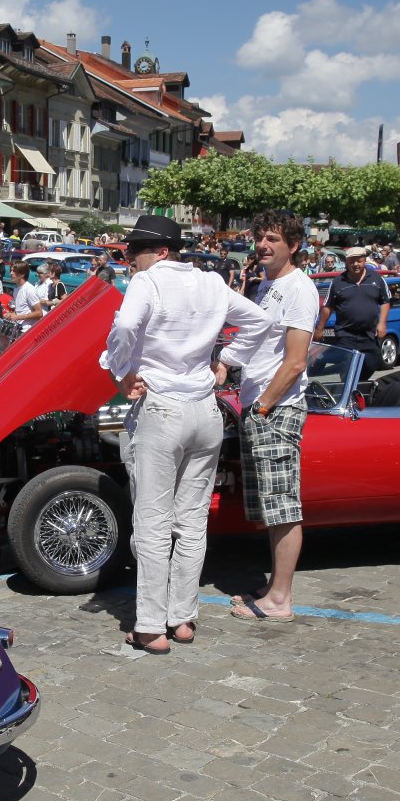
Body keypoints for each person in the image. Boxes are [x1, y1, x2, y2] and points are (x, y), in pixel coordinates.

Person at [105, 215, 270, 655]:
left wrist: (121, 370)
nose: (130, 260)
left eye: (134, 252)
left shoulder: (148, 281)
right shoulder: (212, 282)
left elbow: (125, 328)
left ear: (159, 252)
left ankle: (150, 626)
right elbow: (260, 321)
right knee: (193, 520)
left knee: (153, 520)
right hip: (204, 409)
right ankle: (181, 618)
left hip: (162, 406)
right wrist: (226, 360)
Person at [221, 211, 321, 623]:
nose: (262, 245)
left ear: (293, 245)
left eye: (273, 239)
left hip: (277, 408)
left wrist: (263, 406)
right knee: (271, 506)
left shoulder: (299, 288)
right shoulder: (267, 284)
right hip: (259, 404)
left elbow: (296, 362)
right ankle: (274, 587)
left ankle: (280, 599)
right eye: (260, 237)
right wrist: (226, 362)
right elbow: (256, 339)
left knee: (283, 507)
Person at [313, 247, 389, 380]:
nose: (355, 264)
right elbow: (328, 306)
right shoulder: (338, 282)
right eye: (352, 261)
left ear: (364, 261)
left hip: (369, 334)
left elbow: (385, 302)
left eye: (359, 261)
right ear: (346, 262)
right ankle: (348, 388)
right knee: (348, 367)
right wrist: (320, 329)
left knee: (371, 363)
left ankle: (358, 384)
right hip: (346, 334)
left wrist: (382, 323)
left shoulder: (376, 279)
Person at [4, 262, 47, 330]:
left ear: (22, 274)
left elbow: (39, 313)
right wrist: (11, 315)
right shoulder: (16, 290)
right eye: (11, 270)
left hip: (27, 330)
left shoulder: (29, 290)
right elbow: (20, 311)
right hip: (18, 328)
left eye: (14, 271)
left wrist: (18, 317)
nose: (11, 273)